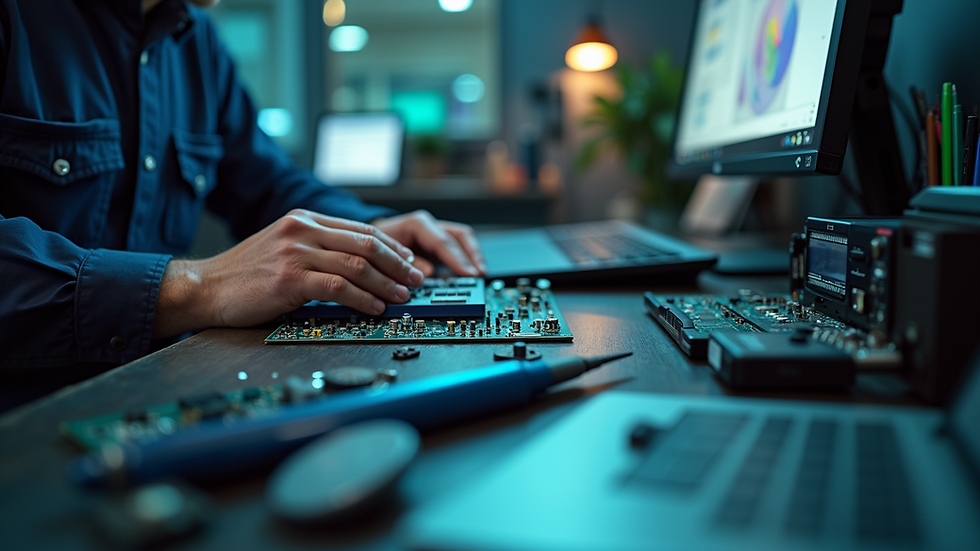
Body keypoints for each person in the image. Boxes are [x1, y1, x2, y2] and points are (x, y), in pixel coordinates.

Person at [0, 0, 486, 402]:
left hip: (158, 390)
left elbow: (266, 180)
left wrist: (370, 230)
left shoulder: (197, 38)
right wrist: (196, 286)